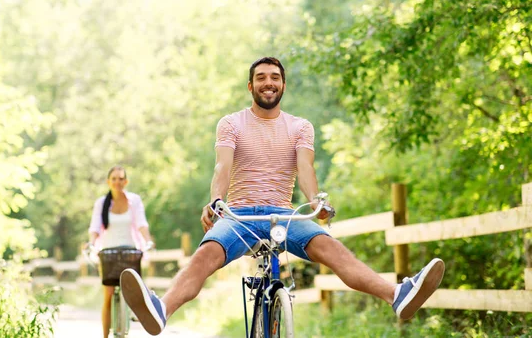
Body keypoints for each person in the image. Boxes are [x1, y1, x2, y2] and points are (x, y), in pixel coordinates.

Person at [119, 57, 445, 336]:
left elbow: (305, 169)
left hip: (284, 215)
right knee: (204, 258)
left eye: (275, 77)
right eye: (260, 77)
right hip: (239, 216)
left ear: (283, 85)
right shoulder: (231, 123)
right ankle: (161, 310)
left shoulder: (300, 127)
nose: (268, 82)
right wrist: (217, 201)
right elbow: (222, 166)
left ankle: (397, 296)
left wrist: (316, 201)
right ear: (250, 86)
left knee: (333, 249)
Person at [88, 165, 155, 338]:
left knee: (133, 289)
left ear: (126, 181)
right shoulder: (101, 203)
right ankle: (104, 335)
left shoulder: (134, 201)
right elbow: (95, 228)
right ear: (108, 182)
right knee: (108, 295)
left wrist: (148, 240)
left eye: (120, 179)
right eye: (114, 179)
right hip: (108, 252)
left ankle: (136, 313)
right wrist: (92, 243)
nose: (117, 182)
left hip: (129, 250)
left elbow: (141, 224)